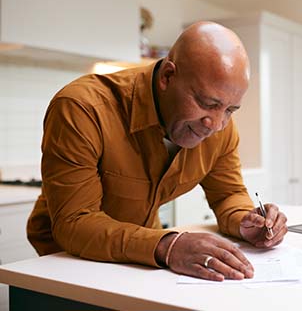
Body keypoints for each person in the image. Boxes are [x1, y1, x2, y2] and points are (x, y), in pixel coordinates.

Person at [27, 21, 288, 282]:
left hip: (142, 260)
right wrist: (169, 246)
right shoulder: (83, 108)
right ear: (167, 77)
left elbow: (228, 194)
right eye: (207, 103)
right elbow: (75, 223)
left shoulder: (221, 129)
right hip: (65, 264)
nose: (216, 125)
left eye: (230, 110)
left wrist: (246, 222)